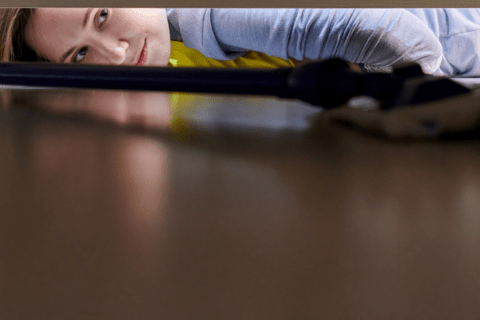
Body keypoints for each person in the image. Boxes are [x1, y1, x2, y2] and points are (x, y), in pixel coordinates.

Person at [0, 8, 479, 77]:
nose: (118, 54)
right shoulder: (180, 44)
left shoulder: (214, 15)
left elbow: (400, 40)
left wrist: (419, 105)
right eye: (81, 53)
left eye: (102, 15)